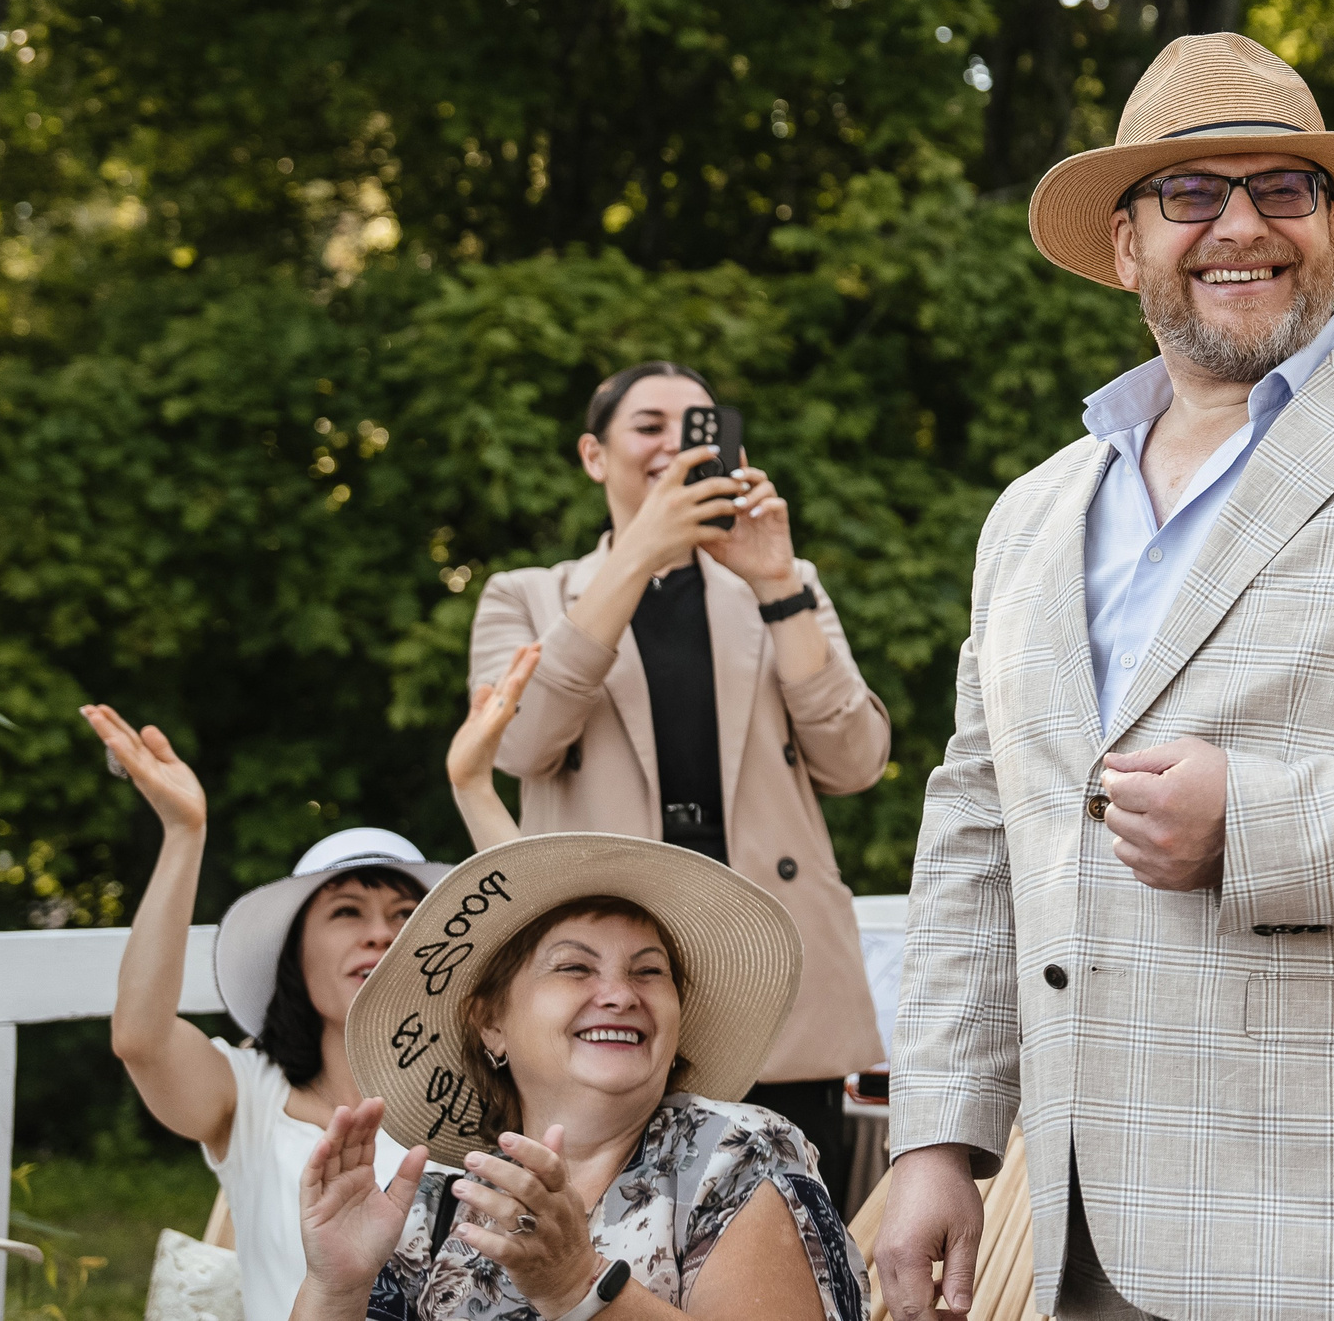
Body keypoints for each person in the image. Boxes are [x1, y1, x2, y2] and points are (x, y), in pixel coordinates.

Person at [876, 31, 1334, 1321]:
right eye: (1188, 193)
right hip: (1075, 1236)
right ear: (1125, 245)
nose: (1239, 225)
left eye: (1280, 189)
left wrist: (1256, 823)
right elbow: (977, 830)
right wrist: (941, 1136)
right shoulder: (1031, 516)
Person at [467, 362, 891, 1188]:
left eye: (696, 425)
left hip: (771, 957)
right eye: (649, 425)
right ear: (595, 455)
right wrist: (638, 557)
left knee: (793, 1233)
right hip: (610, 969)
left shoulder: (785, 583)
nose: (674, 445)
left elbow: (857, 758)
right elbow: (517, 744)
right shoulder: (526, 596)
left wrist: (774, 582)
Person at [286, 832, 866, 1321]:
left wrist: (581, 1289)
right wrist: (334, 1288)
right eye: (574, 968)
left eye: (649, 971)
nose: (619, 995)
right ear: (490, 1022)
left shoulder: (736, 1155)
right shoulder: (438, 1208)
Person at [84, 697, 464, 1321]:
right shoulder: (249, 1095)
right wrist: (184, 834)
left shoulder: (480, 1092)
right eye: (347, 912)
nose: (380, 935)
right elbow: (141, 1039)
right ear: (295, 953)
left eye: (404, 916)